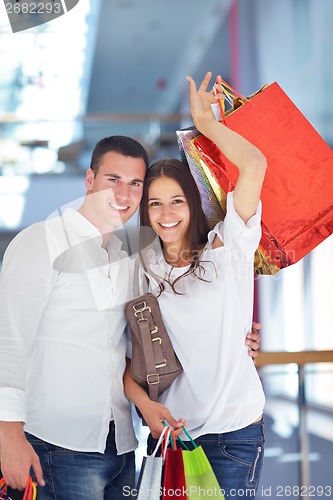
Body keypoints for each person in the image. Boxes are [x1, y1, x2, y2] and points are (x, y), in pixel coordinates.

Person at [0, 128, 262, 498]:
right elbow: (8, 340)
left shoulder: (131, 260)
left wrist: (238, 333)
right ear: (90, 179)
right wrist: (8, 434)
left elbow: (129, 349)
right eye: (113, 180)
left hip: (122, 446)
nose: (123, 194)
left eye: (135, 183)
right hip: (57, 442)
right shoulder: (41, 241)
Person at [124, 72, 267, 499]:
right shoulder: (141, 267)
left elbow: (255, 165)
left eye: (177, 201)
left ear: (193, 203)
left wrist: (207, 126)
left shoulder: (228, 249)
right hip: (169, 438)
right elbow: (126, 360)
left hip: (232, 436)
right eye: (155, 203)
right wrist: (146, 408)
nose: (166, 214)